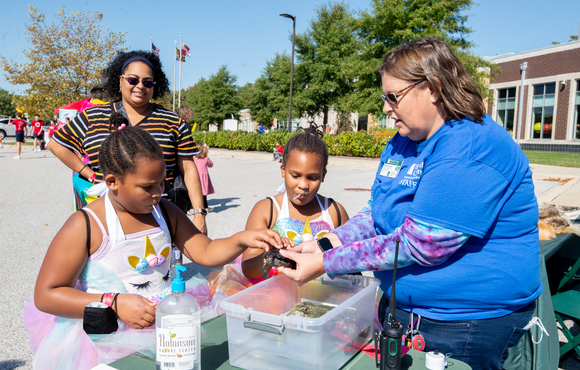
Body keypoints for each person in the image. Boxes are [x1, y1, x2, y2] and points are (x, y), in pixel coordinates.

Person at [276, 38, 541, 370]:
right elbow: (376, 213)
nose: (386, 107)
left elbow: (422, 244)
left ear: (432, 88)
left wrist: (327, 262)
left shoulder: (472, 148)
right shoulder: (403, 142)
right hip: (404, 311)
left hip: (465, 322)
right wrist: (323, 244)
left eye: (393, 96)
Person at [26, 121, 290, 369]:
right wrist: (114, 302)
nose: (158, 192)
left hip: (162, 327)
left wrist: (242, 239)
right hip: (105, 339)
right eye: (147, 186)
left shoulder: (164, 211)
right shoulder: (86, 224)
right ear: (112, 182)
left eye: (162, 181)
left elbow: (205, 251)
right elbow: (47, 295)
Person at [49, 50, 208, 234]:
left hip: (160, 217)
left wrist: (199, 213)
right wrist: (89, 174)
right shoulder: (93, 116)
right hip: (106, 217)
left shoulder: (171, 121)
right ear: (120, 80)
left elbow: (188, 168)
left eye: (147, 82)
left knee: (158, 262)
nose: (140, 86)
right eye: (133, 80)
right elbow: (56, 144)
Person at [242, 125, 349, 281]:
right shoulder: (267, 210)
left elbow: (353, 258)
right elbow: (248, 269)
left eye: (312, 177)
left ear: (323, 175)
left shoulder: (335, 212)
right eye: (295, 175)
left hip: (326, 300)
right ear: (283, 170)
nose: (303, 185)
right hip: (277, 301)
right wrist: (273, 255)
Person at [192, 143, 214, 214]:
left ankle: (197, 206)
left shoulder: (194, 158)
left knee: (197, 192)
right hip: (204, 178)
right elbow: (211, 165)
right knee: (204, 193)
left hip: (196, 176)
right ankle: (205, 207)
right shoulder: (206, 158)